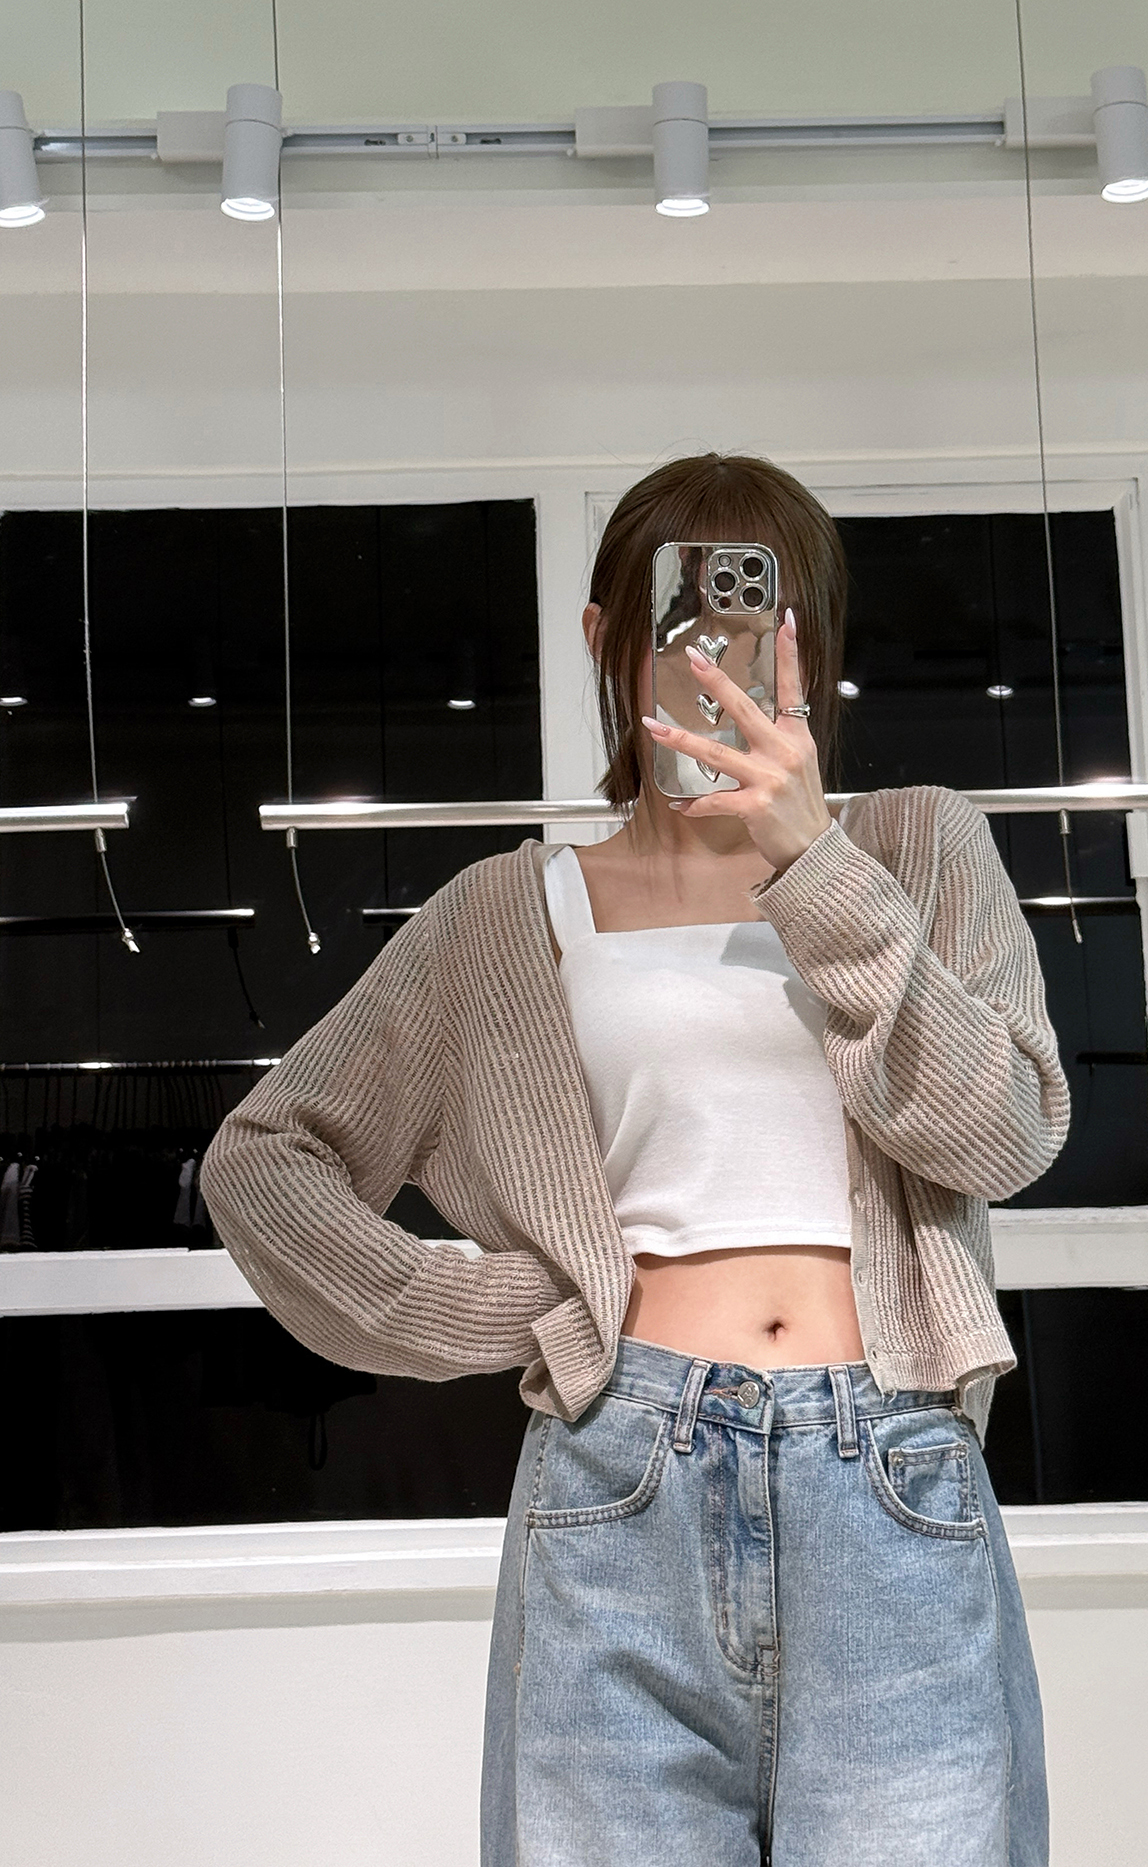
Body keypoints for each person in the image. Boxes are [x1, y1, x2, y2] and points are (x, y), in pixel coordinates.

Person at [200, 452, 1070, 1867]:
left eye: (760, 611)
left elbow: (1005, 1134)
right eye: (687, 612)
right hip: (622, 1475)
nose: (725, 650)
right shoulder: (506, 913)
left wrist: (814, 867)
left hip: (889, 1469)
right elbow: (266, 1158)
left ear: (810, 638)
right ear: (609, 634)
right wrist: (499, 1305)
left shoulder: (918, 846)